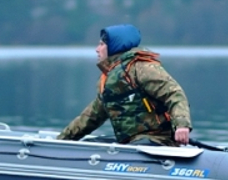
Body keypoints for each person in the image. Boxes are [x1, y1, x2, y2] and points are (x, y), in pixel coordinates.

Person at [57, 24, 192, 146]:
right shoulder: (108, 80)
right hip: (131, 142)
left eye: (101, 44)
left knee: (135, 147)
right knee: (90, 145)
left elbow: (174, 93)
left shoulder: (142, 68)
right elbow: (90, 118)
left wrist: (182, 125)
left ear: (114, 46)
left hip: (157, 139)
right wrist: (61, 141)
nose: (97, 49)